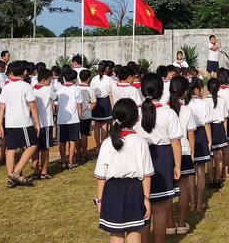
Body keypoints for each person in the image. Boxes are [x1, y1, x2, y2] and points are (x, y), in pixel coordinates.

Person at [94, 98, 153, 242]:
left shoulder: (107, 143)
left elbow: (101, 176)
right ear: (136, 118)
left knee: (116, 234)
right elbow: (147, 175)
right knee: (134, 231)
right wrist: (147, 199)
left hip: (112, 191)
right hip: (134, 190)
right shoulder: (141, 142)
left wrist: (100, 200)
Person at [136, 73, 182, 242]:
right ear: (162, 91)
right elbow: (176, 142)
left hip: (140, 159)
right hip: (162, 159)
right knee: (160, 209)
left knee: (143, 207)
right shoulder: (168, 113)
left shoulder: (136, 112)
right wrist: (177, 166)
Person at [0, 61, 40, 187]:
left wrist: (0, 124)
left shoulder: (6, 87)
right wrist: (37, 123)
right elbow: (32, 106)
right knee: (33, 144)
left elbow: (2, 107)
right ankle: (15, 173)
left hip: (10, 122)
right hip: (23, 121)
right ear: (24, 72)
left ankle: (11, 179)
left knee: (10, 149)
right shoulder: (26, 86)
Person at [168, 76, 195, 235]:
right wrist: (192, 153)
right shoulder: (186, 110)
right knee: (183, 189)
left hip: (168, 153)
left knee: (169, 191)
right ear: (185, 92)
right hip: (184, 152)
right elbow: (191, 133)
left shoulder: (165, 109)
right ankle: (181, 223)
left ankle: (170, 224)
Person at [186, 77, 212, 212]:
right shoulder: (204, 104)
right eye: (202, 88)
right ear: (197, 89)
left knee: (191, 172)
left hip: (188, 135)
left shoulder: (186, 104)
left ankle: (191, 202)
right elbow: (207, 124)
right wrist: (209, 140)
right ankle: (200, 202)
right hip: (201, 135)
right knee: (201, 171)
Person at [32, 68, 56, 180]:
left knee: (35, 148)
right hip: (46, 123)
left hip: (34, 123)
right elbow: (55, 97)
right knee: (45, 148)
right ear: (44, 80)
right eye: (50, 79)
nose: (51, 81)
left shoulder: (32, 89)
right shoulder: (48, 89)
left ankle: (36, 170)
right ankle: (44, 171)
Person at [56, 68, 83, 169]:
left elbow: (57, 105)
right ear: (74, 79)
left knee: (62, 141)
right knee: (72, 141)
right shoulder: (76, 89)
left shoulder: (60, 90)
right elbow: (79, 105)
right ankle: (70, 162)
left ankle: (63, 162)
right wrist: (80, 117)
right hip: (73, 119)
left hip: (61, 119)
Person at [205, 77, 228, 188]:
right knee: (219, 155)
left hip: (209, 128)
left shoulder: (204, 101)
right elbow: (225, 118)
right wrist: (225, 134)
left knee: (210, 156)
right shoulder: (222, 101)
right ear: (218, 88)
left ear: (208, 88)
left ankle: (211, 179)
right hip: (219, 128)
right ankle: (218, 179)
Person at [91, 60, 114, 150]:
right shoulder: (108, 79)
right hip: (105, 102)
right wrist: (113, 106)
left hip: (96, 102)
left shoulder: (94, 79)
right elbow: (110, 93)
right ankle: (103, 146)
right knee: (104, 125)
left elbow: (92, 92)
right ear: (106, 68)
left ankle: (97, 146)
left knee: (97, 125)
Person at [78, 69, 97, 161]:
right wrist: (88, 110)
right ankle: (84, 154)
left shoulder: (76, 88)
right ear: (88, 78)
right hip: (86, 115)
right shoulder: (90, 89)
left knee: (77, 135)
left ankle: (78, 153)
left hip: (77, 115)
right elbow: (94, 102)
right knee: (84, 135)